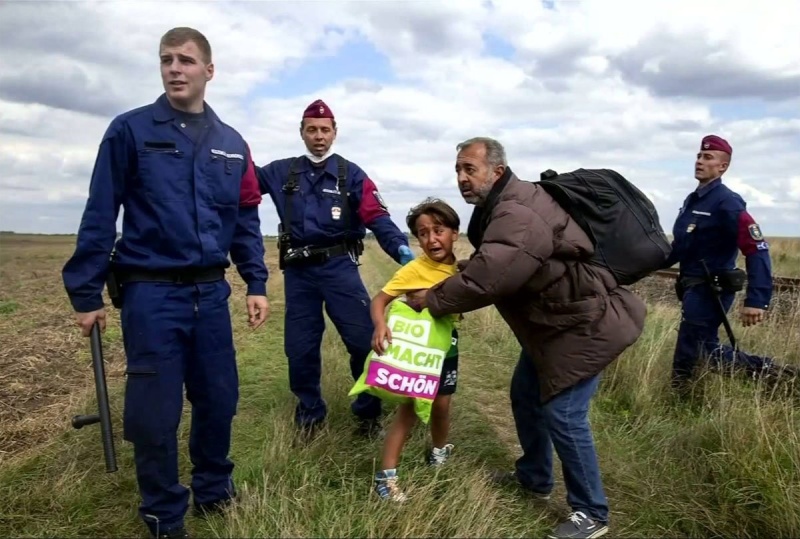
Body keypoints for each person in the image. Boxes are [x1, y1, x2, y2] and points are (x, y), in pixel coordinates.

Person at [61, 27, 269, 539]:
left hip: (210, 293)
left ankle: (214, 492)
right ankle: (163, 512)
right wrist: (86, 292)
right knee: (155, 415)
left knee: (219, 399)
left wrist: (256, 280)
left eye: (186, 60)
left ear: (209, 71)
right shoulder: (130, 130)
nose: (175, 68)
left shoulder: (232, 144)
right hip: (151, 294)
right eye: (166, 60)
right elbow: (100, 211)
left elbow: (244, 218)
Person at [414, 137, 646, 539]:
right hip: (554, 325)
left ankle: (591, 512)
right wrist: (460, 274)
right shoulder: (504, 207)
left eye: (470, 169)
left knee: (565, 415)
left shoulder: (516, 211)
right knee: (525, 394)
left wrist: (433, 299)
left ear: (497, 172)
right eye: (458, 170)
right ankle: (535, 476)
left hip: (581, 326)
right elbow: (504, 261)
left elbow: (492, 279)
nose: (462, 178)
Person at [255, 99, 413, 438]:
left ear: (335, 133)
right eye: (311, 129)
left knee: (362, 343)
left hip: (339, 268)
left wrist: (402, 252)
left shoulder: (350, 174)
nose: (318, 136)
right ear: (301, 133)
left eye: (325, 130)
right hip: (298, 274)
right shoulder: (282, 172)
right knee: (300, 349)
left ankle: (368, 415)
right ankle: (310, 416)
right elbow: (241, 182)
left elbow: (377, 216)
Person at [665, 134, 796, 391]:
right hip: (692, 287)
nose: (699, 161)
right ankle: (684, 394)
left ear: (722, 166)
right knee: (698, 347)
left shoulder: (727, 202)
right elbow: (678, 248)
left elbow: (757, 248)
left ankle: (777, 376)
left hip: (711, 288)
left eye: (707, 157)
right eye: (699, 156)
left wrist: (757, 300)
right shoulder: (693, 201)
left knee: (699, 349)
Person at [368, 197, 462, 502]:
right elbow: (379, 300)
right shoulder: (413, 270)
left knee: (442, 405)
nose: (432, 238)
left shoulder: (461, 270)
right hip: (418, 352)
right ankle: (386, 477)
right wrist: (381, 326)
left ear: (455, 233)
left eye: (439, 230)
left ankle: (438, 453)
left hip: (446, 350)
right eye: (423, 233)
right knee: (409, 409)